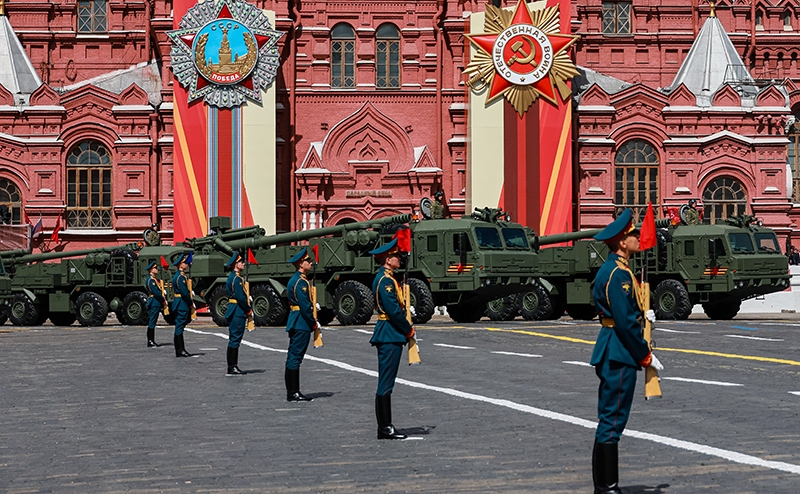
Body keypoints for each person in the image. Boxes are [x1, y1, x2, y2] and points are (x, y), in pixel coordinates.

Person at [590, 208, 664, 494]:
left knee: (611, 418)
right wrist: (645, 354)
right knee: (613, 420)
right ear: (622, 242)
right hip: (618, 351)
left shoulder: (619, 270)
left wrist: (644, 316)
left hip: (614, 348)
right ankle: (607, 488)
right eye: (633, 235)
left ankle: (606, 485)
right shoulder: (617, 275)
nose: (636, 238)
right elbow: (623, 321)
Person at [368, 238, 415, 440]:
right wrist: (408, 329)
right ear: (388, 259)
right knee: (386, 382)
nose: (399, 259)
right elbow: (393, 311)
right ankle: (385, 427)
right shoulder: (385, 281)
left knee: (388, 381)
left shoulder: (389, 278)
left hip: (390, 331)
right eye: (396, 256)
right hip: (389, 332)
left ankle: (385, 426)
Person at [284, 247, 318, 402]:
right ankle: (293, 392)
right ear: (300, 264)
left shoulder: (297, 280)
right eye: (307, 261)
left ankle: (292, 391)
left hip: (296, 320)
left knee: (293, 356)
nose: (310, 263)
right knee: (295, 357)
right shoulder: (300, 282)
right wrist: (313, 323)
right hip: (301, 322)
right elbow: (304, 306)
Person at [224, 251, 250, 376]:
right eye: (241, 262)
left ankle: (232, 366)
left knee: (234, 339)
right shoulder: (236, 279)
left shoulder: (234, 277)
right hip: (237, 310)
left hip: (235, 309)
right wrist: (248, 309)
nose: (243, 264)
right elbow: (240, 297)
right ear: (236, 264)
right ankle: (232, 366)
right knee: (235, 339)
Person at [171, 252, 197, 358]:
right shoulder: (180, 277)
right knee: (180, 326)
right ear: (180, 264)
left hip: (180, 302)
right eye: (185, 263)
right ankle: (180, 350)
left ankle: (180, 349)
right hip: (182, 303)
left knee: (180, 325)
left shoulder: (179, 276)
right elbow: (185, 293)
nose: (187, 264)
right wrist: (190, 303)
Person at [144, 260, 166, 348]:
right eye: (155, 268)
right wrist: (162, 299)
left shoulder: (153, 279)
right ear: (151, 270)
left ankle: (151, 340)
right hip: (154, 301)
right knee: (152, 321)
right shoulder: (151, 280)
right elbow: (156, 292)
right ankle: (150, 341)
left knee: (153, 321)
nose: (157, 269)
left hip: (155, 301)